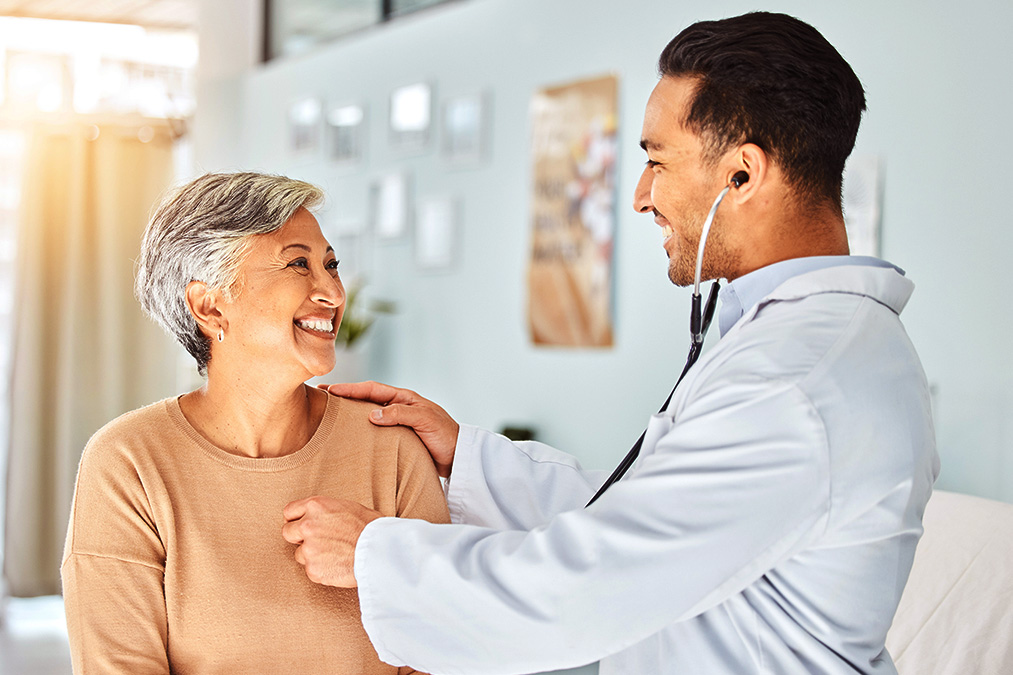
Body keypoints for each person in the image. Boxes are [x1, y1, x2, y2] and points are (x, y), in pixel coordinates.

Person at [283, 12, 939, 675]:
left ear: (742, 176)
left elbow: (583, 590)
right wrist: (469, 459)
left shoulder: (794, 381)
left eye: (655, 160)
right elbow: (651, 528)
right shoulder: (811, 348)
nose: (639, 196)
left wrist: (373, 553)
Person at [61, 172, 449, 674]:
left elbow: (442, 648)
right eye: (298, 265)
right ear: (210, 305)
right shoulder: (128, 463)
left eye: (331, 265)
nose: (332, 291)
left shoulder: (391, 446)